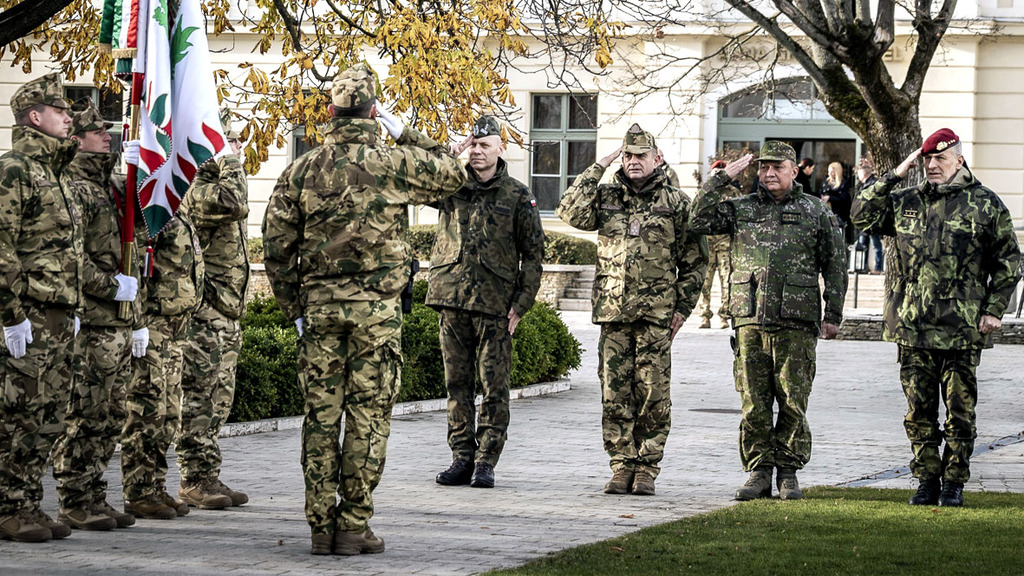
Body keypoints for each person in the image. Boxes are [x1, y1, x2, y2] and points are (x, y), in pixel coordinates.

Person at [262, 64, 466, 555]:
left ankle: (318, 526)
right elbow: (455, 174)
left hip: (320, 312)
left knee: (320, 417)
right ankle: (353, 526)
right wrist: (409, 132)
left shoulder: (301, 168)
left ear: (329, 113)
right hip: (376, 313)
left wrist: (294, 306)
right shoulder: (393, 161)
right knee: (369, 417)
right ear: (375, 111)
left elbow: (275, 247)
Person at [851, 128, 1021, 507]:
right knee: (918, 412)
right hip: (913, 326)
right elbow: (861, 216)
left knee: (960, 412)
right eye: (926, 159)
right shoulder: (905, 201)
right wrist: (894, 174)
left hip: (962, 328)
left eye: (939, 159)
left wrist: (995, 309)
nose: (931, 165)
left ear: (958, 160)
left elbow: (1009, 261)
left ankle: (953, 483)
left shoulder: (985, 204)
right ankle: (926, 479)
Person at [689, 141, 847, 501]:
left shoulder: (814, 211)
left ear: (795, 171)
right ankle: (759, 471)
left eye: (777, 167)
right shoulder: (741, 209)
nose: (769, 173)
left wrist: (833, 314)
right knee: (754, 402)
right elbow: (696, 219)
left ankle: (788, 472)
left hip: (797, 320)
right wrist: (719, 179)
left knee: (793, 399)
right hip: (750, 319)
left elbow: (835, 264)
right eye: (763, 168)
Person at [556, 123, 706, 497]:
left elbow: (695, 261)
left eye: (641, 155)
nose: (633, 161)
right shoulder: (606, 196)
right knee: (614, 394)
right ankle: (622, 465)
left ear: (657, 159)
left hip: (656, 315)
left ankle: (647, 469)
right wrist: (598, 165)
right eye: (627, 155)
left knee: (654, 394)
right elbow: (568, 211)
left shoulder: (675, 202)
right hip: (614, 312)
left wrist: (682, 309)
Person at [428, 116, 545, 489]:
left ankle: (486, 461)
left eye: (485, 145)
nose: (477, 152)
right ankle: (461, 457)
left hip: (495, 306)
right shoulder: (451, 185)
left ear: (500, 149)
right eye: (473, 145)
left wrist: (522, 303)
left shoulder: (516, 195)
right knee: (456, 385)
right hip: (451, 299)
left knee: (494, 387)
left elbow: (534, 254)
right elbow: (417, 183)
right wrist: (448, 154)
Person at [51, 101, 142, 532]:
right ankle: (73, 496)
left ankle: (93, 494)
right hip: (93, 319)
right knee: (86, 411)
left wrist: (140, 177)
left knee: (111, 413)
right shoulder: (75, 187)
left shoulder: (110, 185)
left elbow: (141, 231)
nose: (106, 136)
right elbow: (70, 258)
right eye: (96, 132)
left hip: (119, 321)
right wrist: (110, 287)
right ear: (76, 140)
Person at [0, 73, 83, 543]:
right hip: (25, 315)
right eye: (60, 109)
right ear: (35, 116)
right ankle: (7, 507)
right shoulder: (14, 169)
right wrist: (11, 317)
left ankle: (27, 503)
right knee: (16, 416)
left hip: (55, 316)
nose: (69, 116)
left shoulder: (56, 173)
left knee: (48, 417)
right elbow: (2, 246)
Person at [176, 110, 250, 510]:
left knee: (218, 400)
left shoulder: (213, 183)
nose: (237, 149)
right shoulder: (196, 188)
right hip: (204, 313)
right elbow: (235, 202)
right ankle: (192, 478)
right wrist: (230, 158)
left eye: (236, 142)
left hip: (226, 313)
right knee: (200, 399)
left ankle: (208, 476)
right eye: (229, 142)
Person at [120, 198, 207, 520]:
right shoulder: (151, 206)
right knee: (148, 409)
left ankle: (155, 485)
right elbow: (135, 268)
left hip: (176, 326)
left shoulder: (177, 204)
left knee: (170, 412)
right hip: (154, 323)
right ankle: (138, 491)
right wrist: (137, 322)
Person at [697, 160, 737, 330]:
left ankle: (724, 316)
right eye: (716, 172)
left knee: (727, 280)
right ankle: (704, 316)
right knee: (705, 281)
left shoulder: (733, 193)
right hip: (707, 242)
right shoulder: (705, 192)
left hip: (725, 242)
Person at [854, 162, 883, 274]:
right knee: (863, 244)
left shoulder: (872, 183)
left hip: (871, 220)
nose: (858, 176)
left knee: (876, 245)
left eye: (859, 173)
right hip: (864, 220)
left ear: (864, 173)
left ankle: (878, 267)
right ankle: (861, 267)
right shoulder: (863, 184)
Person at [820, 161, 854, 244]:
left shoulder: (844, 183)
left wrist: (830, 198)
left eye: (832, 172)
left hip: (840, 212)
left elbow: (844, 198)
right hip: (827, 210)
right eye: (829, 172)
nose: (830, 174)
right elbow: (820, 191)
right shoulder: (826, 181)